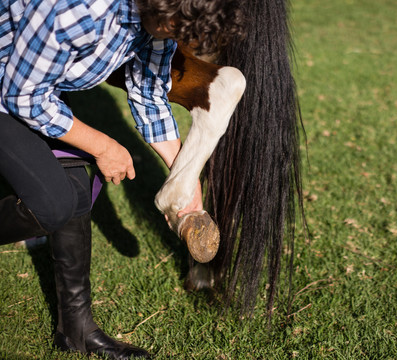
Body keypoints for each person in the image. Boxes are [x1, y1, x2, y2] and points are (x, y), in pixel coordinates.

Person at [0, 0, 243, 358]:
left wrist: (185, 177)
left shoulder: (156, 23)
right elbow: (21, 96)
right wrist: (102, 145)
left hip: (36, 94)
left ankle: (76, 332)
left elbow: (148, 95)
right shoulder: (76, 12)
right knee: (52, 206)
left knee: (76, 191)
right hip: (12, 93)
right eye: (178, 31)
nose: (179, 40)